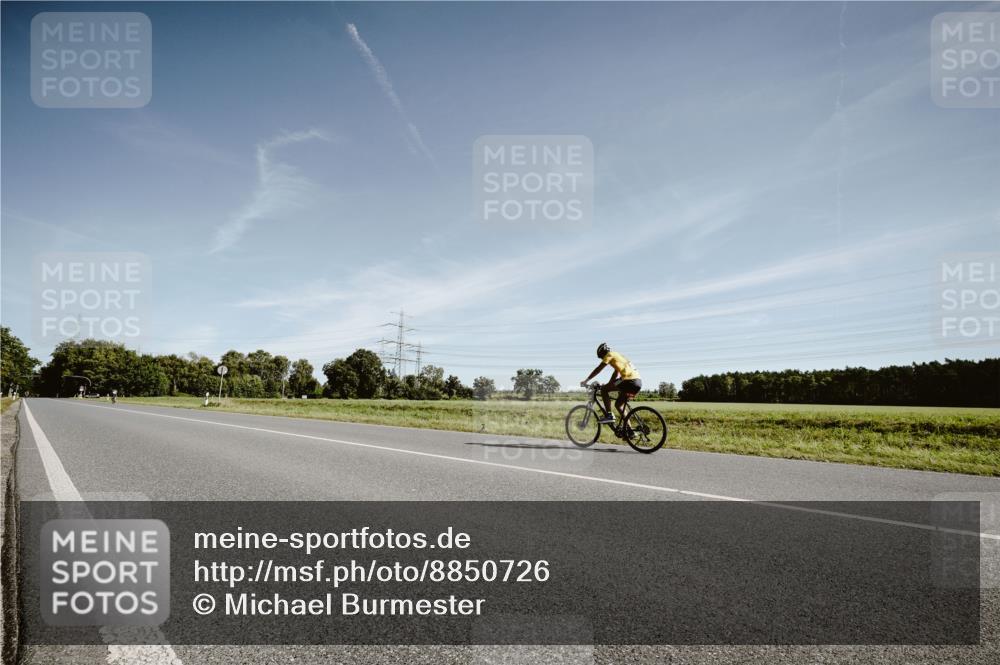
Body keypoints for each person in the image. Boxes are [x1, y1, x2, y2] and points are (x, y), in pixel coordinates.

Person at [580, 343, 642, 424]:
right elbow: (616, 373)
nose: (602, 359)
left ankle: (609, 415)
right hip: (638, 382)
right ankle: (630, 432)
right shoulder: (618, 356)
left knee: (603, 390)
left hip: (628, 380)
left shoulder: (609, 355)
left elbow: (599, 368)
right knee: (619, 405)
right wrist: (608, 385)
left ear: (603, 353)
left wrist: (586, 380)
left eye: (601, 357)